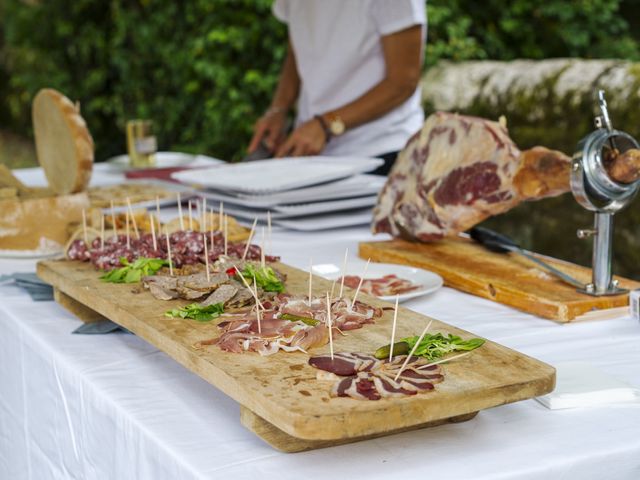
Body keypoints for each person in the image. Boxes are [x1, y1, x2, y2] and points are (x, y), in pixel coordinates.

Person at [247, 0, 426, 175]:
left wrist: (327, 124)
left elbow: (402, 83)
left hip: (380, 150)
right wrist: (279, 109)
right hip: (315, 154)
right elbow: (298, 48)